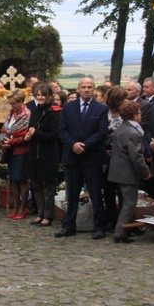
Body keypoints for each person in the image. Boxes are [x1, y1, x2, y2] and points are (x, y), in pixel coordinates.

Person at [56, 77, 109, 239]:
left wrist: (84, 145)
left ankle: (99, 226)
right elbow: (62, 130)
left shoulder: (100, 109)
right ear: (78, 89)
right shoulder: (68, 107)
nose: (86, 90)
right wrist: (73, 145)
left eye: (90, 87)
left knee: (95, 193)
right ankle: (69, 225)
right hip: (72, 156)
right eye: (83, 87)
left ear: (93, 89)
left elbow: (102, 132)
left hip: (91, 157)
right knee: (71, 193)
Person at [109, 100, 151, 243]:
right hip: (127, 173)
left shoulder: (121, 128)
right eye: (139, 113)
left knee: (126, 202)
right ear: (134, 115)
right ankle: (120, 232)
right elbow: (136, 156)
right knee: (129, 203)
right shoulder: (133, 132)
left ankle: (127, 228)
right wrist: (145, 172)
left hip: (118, 172)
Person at [25, 84, 62, 227]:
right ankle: (40, 213)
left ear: (49, 96)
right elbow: (31, 129)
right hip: (34, 153)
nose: (40, 97)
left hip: (48, 154)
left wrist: (36, 133)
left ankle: (48, 215)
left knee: (47, 187)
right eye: (38, 95)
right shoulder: (34, 111)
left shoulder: (54, 112)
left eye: (43, 95)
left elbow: (54, 135)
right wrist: (29, 135)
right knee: (36, 186)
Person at [2, 89, 31, 220]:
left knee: (22, 179)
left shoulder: (26, 114)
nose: (12, 105)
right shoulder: (12, 113)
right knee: (13, 178)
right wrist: (3, 140)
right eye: (10, 103)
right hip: (11, 150)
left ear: (21, 101)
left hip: (21, 150)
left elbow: (25, 135)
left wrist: (12, 141)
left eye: (14, 103)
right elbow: (5, 129)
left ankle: (23, 206)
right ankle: (16, 205)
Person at [102, 86, 127, 230]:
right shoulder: (104, 113)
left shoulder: (126, 113)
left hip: (123, 158)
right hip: (107, 158)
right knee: (109, 190)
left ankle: (124, 221)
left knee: (123, 192)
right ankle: (111, 219)